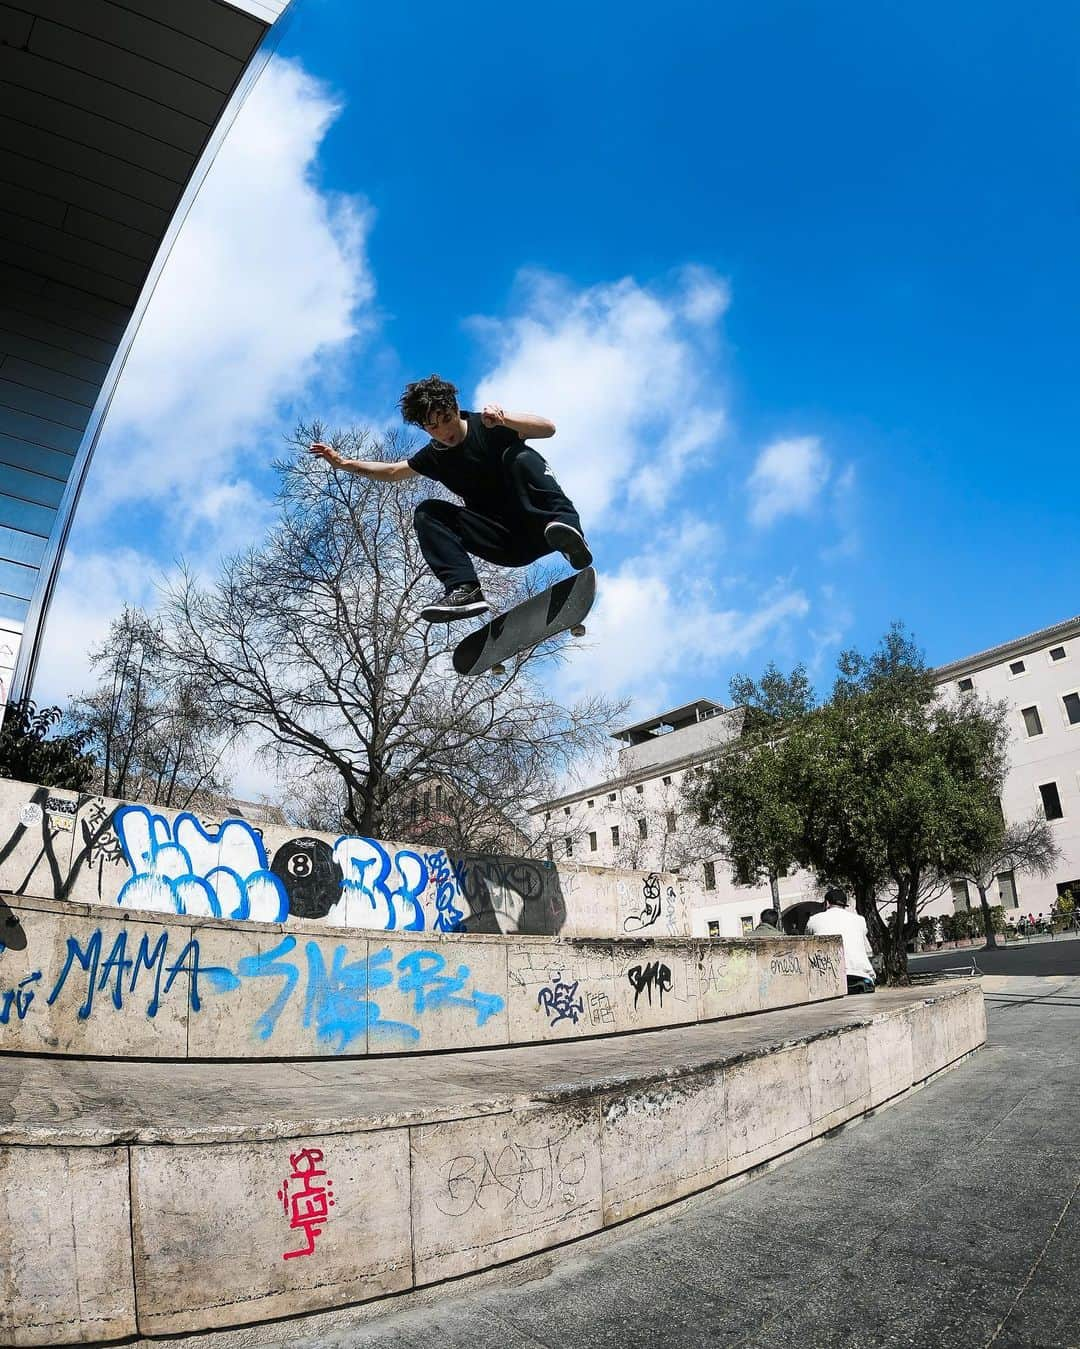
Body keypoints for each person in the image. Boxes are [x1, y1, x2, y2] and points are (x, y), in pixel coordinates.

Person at [308, 374, 592, 622]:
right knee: (427, 512)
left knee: (520, 455)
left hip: (544, 528)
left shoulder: (488, 425)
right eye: (433, 426)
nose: (445, 432)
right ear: (424, 428)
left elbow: (548, 428)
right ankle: (464, 590)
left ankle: (570, 534)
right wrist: (344, 464)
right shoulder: (435, 457)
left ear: (456, 408)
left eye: (446, 419)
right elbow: (393, 471)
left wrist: (505, 418)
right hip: (506, 544)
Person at [806, 887, 876, 993]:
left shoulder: (814, 920)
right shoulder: (859, 920)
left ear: (827, 903)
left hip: (829, 979)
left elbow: (807, 942)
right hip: (861, 976)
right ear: (845, 904)